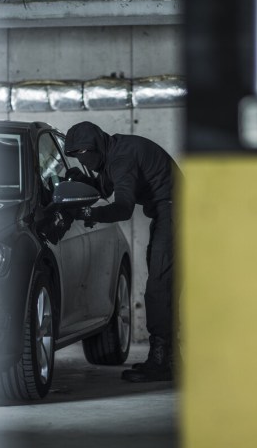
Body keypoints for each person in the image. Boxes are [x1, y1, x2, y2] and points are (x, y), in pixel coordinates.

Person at [62, 121, 180, 383]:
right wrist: (81, 180)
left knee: (159, 288)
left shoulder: (121, 158)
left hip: (175, 212)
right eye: (76, 156)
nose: (83, 160)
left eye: (83, 154)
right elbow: (106, 187)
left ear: (95, 146)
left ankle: (162, 361)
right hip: (167, 212)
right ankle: (171, 360)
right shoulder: (112, 152)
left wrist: (87, 213)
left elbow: (124, 208)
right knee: (164, 287)